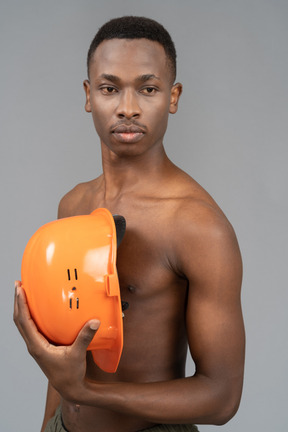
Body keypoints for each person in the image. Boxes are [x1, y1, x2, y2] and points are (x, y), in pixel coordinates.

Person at [14, 16, 245, 432]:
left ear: (172, 98)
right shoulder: (74, 204)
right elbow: (68, 357)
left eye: (148, 88)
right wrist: (51, 419)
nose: (127, 107)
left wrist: (86, 392)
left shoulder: (197, 225)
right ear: (89, 95)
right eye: (109, 88)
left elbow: (222, 397)